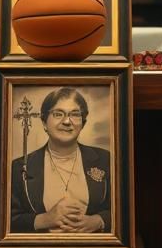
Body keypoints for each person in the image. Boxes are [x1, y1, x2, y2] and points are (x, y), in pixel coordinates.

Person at [10, 87, 111, 233]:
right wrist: (44, 219)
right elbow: (6, 219)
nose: (67, 121)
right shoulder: (20, 167)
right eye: (58, 114)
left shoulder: (105, 160)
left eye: (75, 114)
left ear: (83, 122)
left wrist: (99, 221)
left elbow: (123, 209)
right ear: (44, 122)